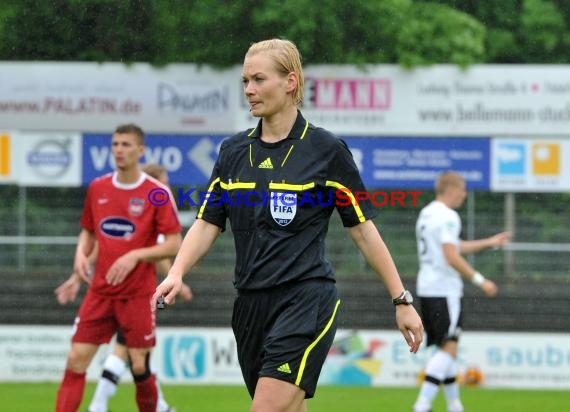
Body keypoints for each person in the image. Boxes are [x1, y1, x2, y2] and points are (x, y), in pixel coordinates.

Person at [151, 38, 423, 412]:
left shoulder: (326, 151)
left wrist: (401, 300)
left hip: (305, 299)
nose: (249, 90)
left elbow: (362, 229)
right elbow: (207, 222)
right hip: (249, 306)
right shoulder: (233, 152)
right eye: (245, 81)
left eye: (259, 79)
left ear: (290, 82)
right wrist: (178, 271)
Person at [55, 125, 182, 412]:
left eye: (126, 144)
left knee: (139, 367)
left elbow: (174, 244)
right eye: (115, 144)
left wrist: (135, 254)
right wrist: (80, 254)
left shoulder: (157, 194)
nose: (119, 150)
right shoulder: (98, 187)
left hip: (138, 295)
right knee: (76, 359)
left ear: (140, 150)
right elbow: (89, 231)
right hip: (100, 293)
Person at [412, 171, 511, 412]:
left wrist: (488, 242)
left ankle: (455, 405)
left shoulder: (426, 213)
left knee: (446, 347)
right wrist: (480, 280)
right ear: (452, 189)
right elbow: (451, 255)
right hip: (445, 290)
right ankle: (422, 404)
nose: (465, 195)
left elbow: (452, 247)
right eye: (463, 189)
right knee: (449, 348)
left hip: (427, 286)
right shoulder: (448, 216)